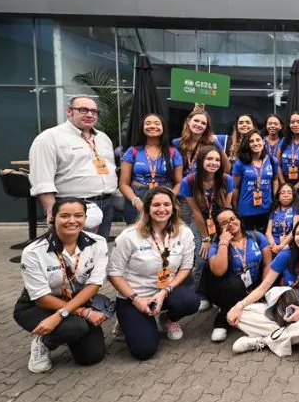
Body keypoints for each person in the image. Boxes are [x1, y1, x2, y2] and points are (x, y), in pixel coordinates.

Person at [15, 198, 108, 373]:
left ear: (85, 218)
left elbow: (94, 285)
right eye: (65, 216)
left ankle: (65, 332)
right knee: (75, 327)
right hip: (39, 305)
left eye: (78, 215)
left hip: (77, 300)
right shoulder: (34, 251)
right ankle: (43, 342)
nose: (72, 221)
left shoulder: (98, 243)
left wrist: (68, 313)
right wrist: (83, 313)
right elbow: (42, 299)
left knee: (91, 356)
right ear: (53, 217)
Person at [108, 188, 200, 360]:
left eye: (167, 204)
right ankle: (126, 321)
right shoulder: (129, 236)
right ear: (147, 208)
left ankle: (167, 319)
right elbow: (114, 274)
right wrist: (137, 300)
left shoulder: (184, 232)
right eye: (156, 205)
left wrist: (165, 291)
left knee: (191, 302)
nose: (162, 209)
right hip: (135, 296)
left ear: (174, 208)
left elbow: (186, 267)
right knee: (144, 351)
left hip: (164, 292)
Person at [227, 218, 299, 356]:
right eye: (298, 234)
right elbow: (264, 286)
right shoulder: (286, 255)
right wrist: (239, 305)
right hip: (281, 307)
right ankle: (297, 336)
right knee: (241, 314)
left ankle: (262, 340)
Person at [28, 95, 117, 239]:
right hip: (72, 207)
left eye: (94, 111)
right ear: (69, 111)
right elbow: (42, 180)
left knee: (98, 250)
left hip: (105, 204)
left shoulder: (103, 138)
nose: (89, 114)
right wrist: (51, 210)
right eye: (83, 110)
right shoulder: (49, 138)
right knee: (71, 252)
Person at [177, 145, 234, 306]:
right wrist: (205, 239)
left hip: (222, 221)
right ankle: (199, 295)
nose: (213, 163)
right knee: (202, 259)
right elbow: (195, 211)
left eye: (217, 159)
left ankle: (217, 293)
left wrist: (223, 235)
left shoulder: (225, 180)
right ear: (201, 160)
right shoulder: (189, 181)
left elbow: (226, 210)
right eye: (209, 159)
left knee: (223, 256)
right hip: (200, 222)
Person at [206, 208, 272, 342]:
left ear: (239, 220)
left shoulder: (257, 237)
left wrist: (263, 288)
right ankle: (221, 320)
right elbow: (218, 271)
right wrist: (223, 242)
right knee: (235, 285)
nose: (230, 223)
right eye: (224, 223)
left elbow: (267, 264)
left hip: (255, 286)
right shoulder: (215, 246)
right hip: (230, 289)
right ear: (219, 227)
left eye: (232, 219)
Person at [119, 113, 183, 224]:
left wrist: (169, 199)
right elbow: (123, 184)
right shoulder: (133, 151)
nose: (152, 126)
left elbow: (179, 182)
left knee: (163, 234)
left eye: (157, 123)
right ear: (142, 128)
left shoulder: (173, 152)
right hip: (137, 198)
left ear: (163, 128)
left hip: (164, 197)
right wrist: (136, 201)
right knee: (137, 236)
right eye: (147, 123)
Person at [231, 130, 276, 232]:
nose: (255, 143)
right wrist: (235, 207)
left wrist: (274, 196)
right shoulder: (240, 163)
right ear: (247, 144)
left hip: (266, 209)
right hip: (246, 210)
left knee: (264, 241)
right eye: (251, 141)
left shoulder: (272, 161)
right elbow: (235, 187)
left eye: (258, 140)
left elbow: (275, 179)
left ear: (263, 141)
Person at [173, 106, 227, 176]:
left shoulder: (212, 143)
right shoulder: (176, 143)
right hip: (182, 185)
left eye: (203, 123)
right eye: (196, 121)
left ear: (206, 127)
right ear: (188, 121)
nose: (199, 125)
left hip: (202, 185)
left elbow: (227, 168)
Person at [266, 183, 299, 256]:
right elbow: (268, 232)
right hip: (273, 245)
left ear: (293, 196)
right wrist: (273, 245)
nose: (286, 195)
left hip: (289, 245)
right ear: (278, 196)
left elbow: (294, 231)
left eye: (289, 193)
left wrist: (281, 246)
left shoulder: (296, 209)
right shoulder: (274, 209)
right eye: (283, 193)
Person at [277, 111, 299, 189]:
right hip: (284, 182)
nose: (295, 125)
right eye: (292, 122)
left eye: (298, 122)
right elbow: (278, 164)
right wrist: (283, 184)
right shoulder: (284, 141)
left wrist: (296, 187)